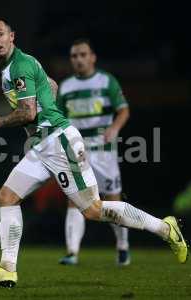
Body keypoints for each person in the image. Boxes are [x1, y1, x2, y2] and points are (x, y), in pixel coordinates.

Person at [0, 17, 188, 288]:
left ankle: (165, 228)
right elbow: (52, 86)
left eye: (1, 34)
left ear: (12, 36)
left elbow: (28, 112)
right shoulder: (17, 65)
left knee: (93, 210)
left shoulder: (20, 65)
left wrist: (0, 121)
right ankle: (7, 268)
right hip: (41, 146)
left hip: (58, 143)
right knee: (6, 196)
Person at [57, 38, 131, 266]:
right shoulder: (66, 87)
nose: (78, 59)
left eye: (82, 54)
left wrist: (115, 127)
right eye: (74, 56)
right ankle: (72, 252)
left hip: (104, 153)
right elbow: (58, 119)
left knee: (113, 202)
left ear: (92, 57)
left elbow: (123, 110)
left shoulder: (105, 80)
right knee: (74, 200)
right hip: (78, 153)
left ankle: (122, 246)